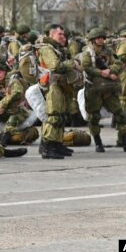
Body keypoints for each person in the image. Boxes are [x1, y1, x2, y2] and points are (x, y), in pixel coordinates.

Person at [81, 27, 126, 153]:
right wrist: (102, 73)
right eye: (98, 38)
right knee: (94, 117)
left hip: (108, 89)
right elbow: (86, 67)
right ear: (93, 40)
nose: (101, 40)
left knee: (121, 114)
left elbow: (117, 63)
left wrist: (111, 71)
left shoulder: (108, 51)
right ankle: (98, 143)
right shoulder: (87, 53)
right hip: (94, 90)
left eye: (102, 38)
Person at [36, 24, 80, 159]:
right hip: (52, 86)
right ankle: (47, 147)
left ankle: (57, 143)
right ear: (51, 35)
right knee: (54, 116)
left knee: (61, 116)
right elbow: (55, 66)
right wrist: (72, 64)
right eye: (59, 34)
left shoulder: (60, 49)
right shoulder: (46, 49)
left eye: (64, 35)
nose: (63, 37)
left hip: (61, 85)